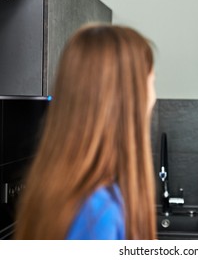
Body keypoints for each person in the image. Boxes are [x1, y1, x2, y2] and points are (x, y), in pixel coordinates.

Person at [14, 24, 157, 240]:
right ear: (129, 99)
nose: (154, 97)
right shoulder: (99, 214)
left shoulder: (54, 187)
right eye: (152, 83)